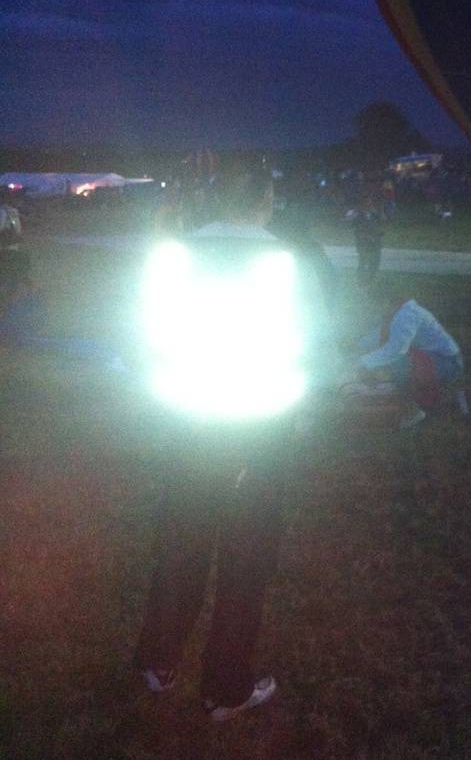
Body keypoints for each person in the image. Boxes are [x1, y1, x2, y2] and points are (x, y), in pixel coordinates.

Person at [134, 167, 325, 721]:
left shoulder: (172, 256)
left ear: (216, 199)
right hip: (256, 425)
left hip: (188, 418)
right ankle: (224, 687)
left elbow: (145, 332)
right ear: (267, 199)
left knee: (181, 540)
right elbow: (313, 343)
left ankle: (158, 661)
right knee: (246, 557)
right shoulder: (287, 263)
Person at [349, 280, 466, 429]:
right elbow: (378, 335)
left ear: (386, 301)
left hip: (448, 363)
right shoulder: (398, 313)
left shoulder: (407, 315)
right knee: (384, 363)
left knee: (396, 366)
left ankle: (413, 411)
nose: (375, 310)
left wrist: (362, 362)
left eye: (376, 305)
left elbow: (396, 350)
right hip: (432, 358)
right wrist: (356, 347)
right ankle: (400, 401)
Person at [346, 193, 384, 286]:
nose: (368, 204)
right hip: (362, 241)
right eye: (365, 202)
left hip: (375, 241)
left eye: (369, 202)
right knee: (363, 261)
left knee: (374, 262)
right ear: (361, 203)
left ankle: (371, 280)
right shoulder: (356, 213)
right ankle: (360, 280)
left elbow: (382, 220)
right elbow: (349, 222)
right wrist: (356, 213)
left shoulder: (374, 213)